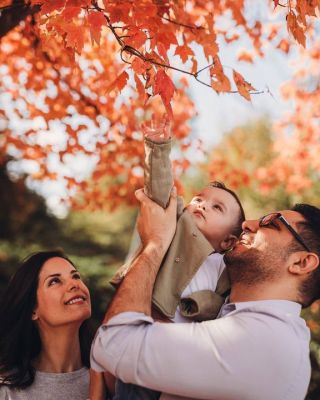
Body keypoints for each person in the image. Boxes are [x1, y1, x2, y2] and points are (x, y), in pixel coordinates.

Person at [91, 190, 320, 400]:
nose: (247, 224)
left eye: (271, 224)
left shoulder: (267, 341)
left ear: (301, 262)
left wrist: (156, 243)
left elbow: (114, 344)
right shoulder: (237, 317)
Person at [108, 119, 245, 399]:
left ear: (229, 241)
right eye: (199, 199)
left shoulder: (224, 267)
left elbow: (222, 304)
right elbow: (159, 190)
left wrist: (201, 305)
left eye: (217, 207)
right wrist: (157, 147)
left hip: (175, 361)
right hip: (142, 343)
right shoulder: (174, 224)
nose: (202, 204)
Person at [0, 250, 93, 400]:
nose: (74, 284)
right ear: (32, 310)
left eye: (75, 276)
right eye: (55, 281)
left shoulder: (111, 378)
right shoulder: (7, 391)